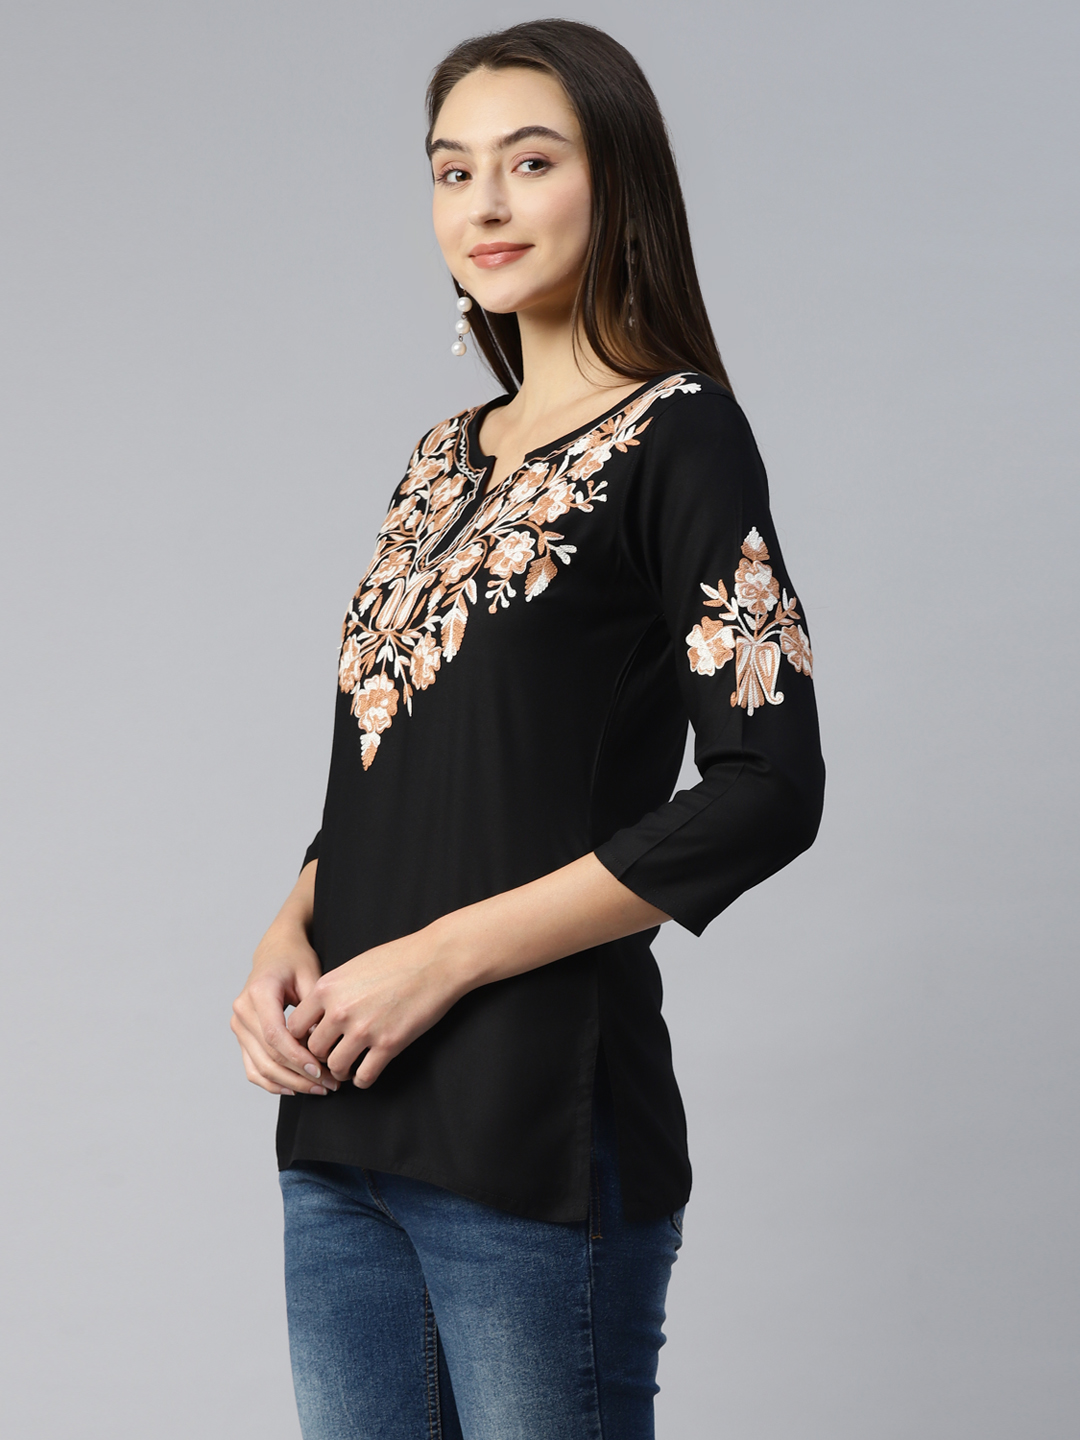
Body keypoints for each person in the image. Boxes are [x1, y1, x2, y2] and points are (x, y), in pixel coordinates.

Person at [230, 19, 825, 1440]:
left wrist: (436, 961)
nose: (483, 204)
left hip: (533, 1125)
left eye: (531, 162)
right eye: (453, 171)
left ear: (616, 183)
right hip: (344, 1121)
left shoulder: (681, 436)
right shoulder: (441, 458)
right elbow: (407, 766)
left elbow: (768, 785)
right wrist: (285, 935)